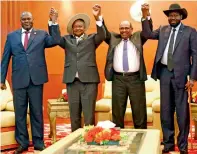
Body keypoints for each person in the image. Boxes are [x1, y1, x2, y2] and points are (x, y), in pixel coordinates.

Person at [141, 3, 197, 154]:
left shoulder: (190, 32)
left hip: (181, 75)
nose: (172, 18)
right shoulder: (163, 30)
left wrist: (192, 78)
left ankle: (183, 146)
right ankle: (168, 144)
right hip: (164, 73)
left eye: (175, 15)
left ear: (181, 17)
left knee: (182, 113)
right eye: (170, 15)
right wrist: (146, 15)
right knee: (166, 111)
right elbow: (147, 34)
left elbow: (195, 55)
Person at [0, 12, 57, 153]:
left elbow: (55, 40)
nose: (26, 21)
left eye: (29, 19)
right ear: (20, 21)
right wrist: (1, 79)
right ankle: (22, 143)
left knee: (37, 112)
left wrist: (53, 23)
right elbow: (5, 58)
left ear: (33, 20)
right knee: (20, 112)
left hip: (36, 79)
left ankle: (38, 142)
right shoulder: (12, 36)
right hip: (19, 79)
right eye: (24, 19)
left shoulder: (42, 35)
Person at [48, 4, 105, 132]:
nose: (78, 28)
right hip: (72, 82)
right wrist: (54, 21)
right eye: (75, 26)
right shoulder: (66, 40)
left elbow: (102, 35)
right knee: (74, 115)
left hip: (89, 82)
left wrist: (98, 18)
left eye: (80, 26)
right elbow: (56, 39)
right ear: (72, 29)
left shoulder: (92, 39)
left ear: (84, 28)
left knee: (89, 115)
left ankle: (88, 139)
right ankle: (74, 140)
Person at [103, 5, 153, 129]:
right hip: (118, 79)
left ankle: (142, 139)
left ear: (131, 29)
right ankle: (117, 139)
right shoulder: (113, 39)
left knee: (139, 111)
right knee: (118, 112)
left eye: (126, 28)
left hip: (136, 79)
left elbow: (148, 31)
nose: (124, 30)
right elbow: (103, 32)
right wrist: (98, 18)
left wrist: (145, 15)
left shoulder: (138, 37)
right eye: (121, 28)